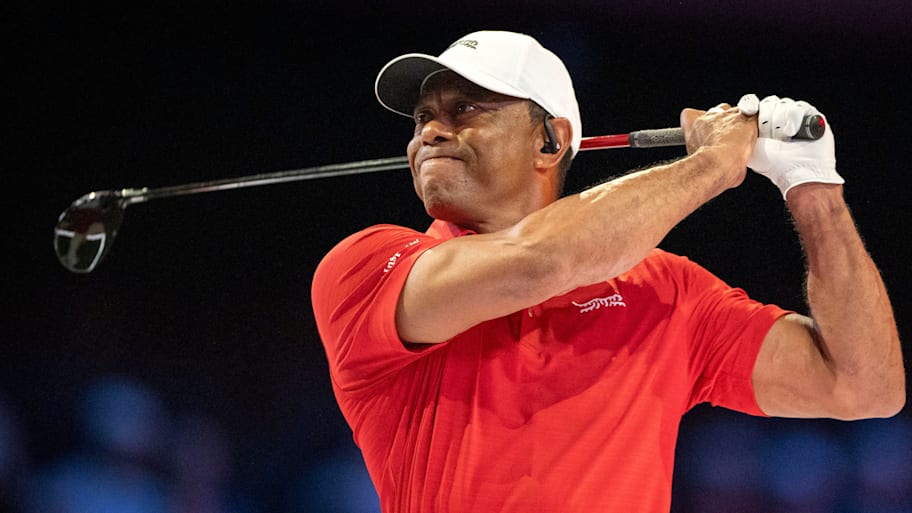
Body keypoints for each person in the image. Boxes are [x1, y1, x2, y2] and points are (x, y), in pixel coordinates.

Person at [310, 30, 905, 512]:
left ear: (551, 141)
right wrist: (712, 165)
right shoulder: (366, 266)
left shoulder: (667, 291)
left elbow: (865, 388)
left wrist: (813, 190)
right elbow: (541, 260)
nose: (432, 132)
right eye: (422, 117)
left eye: (465, 109)